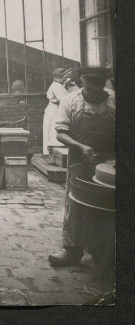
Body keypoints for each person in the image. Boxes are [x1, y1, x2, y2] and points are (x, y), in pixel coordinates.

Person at [48, 67, 115, 267]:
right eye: (90, 86)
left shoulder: (114, 100)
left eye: (99, 86)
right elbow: (61, 133)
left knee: (105, 206)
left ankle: (101, 250)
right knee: (75, 204)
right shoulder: (71, 101)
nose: (95, 91)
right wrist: (81, 146)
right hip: (79, 158)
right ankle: (72, 250)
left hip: (109, 162)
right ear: (82, 81)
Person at [42, 68, 69, 155]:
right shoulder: (57, 86)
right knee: (53, 130)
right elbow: (62, 100)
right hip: (55, 110)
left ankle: (53, 152)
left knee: (52, 130)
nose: (66, 78)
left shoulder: (58, 85)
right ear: (60, 77)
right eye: (65, 76)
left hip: (54, 109)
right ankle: (52, 152)